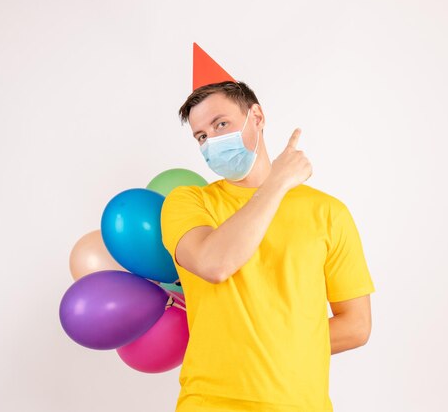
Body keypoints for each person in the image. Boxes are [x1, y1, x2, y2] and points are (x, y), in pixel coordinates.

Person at [160, 80, 375, 411]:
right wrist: (276, 183)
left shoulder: (328, 212)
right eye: (201, 136)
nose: (212, 141)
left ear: (256, 117)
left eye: (221, 124)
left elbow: (356, 326)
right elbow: (213, 264)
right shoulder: (188, 202)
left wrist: (270, 347)